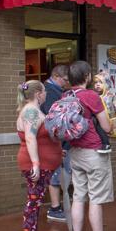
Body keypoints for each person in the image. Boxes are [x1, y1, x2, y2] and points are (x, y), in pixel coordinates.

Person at [66, 60, 116, 231]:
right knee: (96, 198)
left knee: (78, 197)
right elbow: (106, 127)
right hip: (94, 153)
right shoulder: (91, 95)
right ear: (87, 77)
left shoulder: (66, 95)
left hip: (75, 152)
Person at [15, 80, 63, 231]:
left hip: (42, 164)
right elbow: (30, 138)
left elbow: (41, 138)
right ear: (38, 94)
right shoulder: (30, 112)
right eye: (44, 92)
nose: (46, 94)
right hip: (35, 165)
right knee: (33, 203)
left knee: (35, 202)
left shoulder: (32, 110)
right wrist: (36, 163)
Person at [41, 64, 70, 222]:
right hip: (55, 142)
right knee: (56, 176)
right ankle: (54, 208)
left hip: (59, 142)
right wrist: (60, 145)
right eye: (64, 80)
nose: (66, 83)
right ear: (56, 76)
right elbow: (53, 119)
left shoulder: (55, 91)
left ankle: (57, 206)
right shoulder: (51, 92)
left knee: (59, 175)